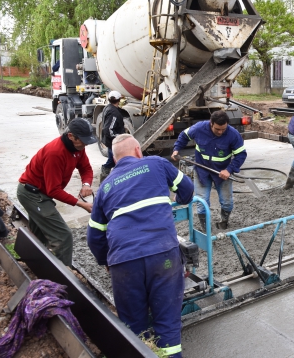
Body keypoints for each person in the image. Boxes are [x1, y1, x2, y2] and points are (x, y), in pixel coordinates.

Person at [88, 134, 193, 358]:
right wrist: (175, 202)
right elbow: (187, 190)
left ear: (115, 160)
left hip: (124, 263)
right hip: (163, 255)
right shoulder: (157, 164)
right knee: (166, 322)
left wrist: (106, 261)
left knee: (134, 326)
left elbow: (94, 237)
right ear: (138, 151)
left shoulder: (105, 188)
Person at [16, 118, 96, 266]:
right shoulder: (55, 153)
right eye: (82, 141)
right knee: (63, 236)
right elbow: (53, 190)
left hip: (42, 192)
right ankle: (63, 276)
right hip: (32, 194)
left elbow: (85, 168)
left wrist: (86, 184)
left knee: (39, 232)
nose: (85, 145)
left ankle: (34, 263)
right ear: (71, 136)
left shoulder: (78, 148)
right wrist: (80, 204)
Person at [171, 110, 246, 229]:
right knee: (202, 202)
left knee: (227, 202)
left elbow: (241, 154)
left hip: (222, 172)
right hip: (202, 171)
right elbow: (184, 136)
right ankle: (205, 228)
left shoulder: (233, 134)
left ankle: (224, 221)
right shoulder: (199, 128)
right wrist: (176, 149)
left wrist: (229, 169)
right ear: (211, 123)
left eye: (223, 129)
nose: (220, 132)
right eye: (217, 129)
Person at [100, 91, 125, 183]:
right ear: (119, 100)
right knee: (113, 160)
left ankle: (107, 177)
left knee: (114, 160)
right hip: (113, 141)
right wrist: (121, 137)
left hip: (110, 141)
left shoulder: (108, 108)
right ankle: (104, 176)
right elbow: (109, 130)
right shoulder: (114, 112)